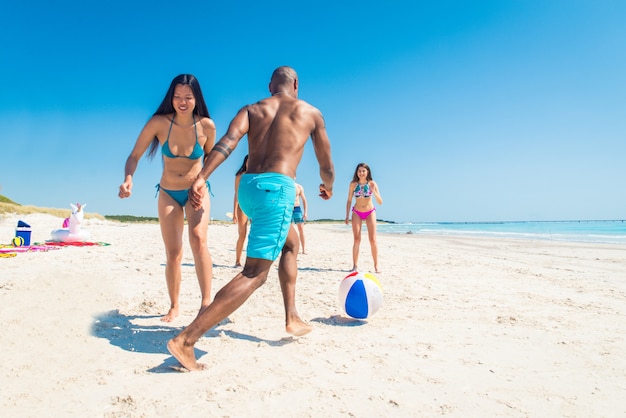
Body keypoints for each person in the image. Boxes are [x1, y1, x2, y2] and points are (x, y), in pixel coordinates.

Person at [167, 66, 334, 371]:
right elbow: (326, 164)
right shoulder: (311, 113)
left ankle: (291, 316)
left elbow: (227, 143)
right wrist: (328, 186)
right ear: (296, 84)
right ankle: (187, 340)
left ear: (271, 85)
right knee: (254, 273)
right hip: (276, 189)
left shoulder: (252, 109)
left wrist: (202, 177)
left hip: (249, 188)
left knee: (289, 245)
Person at [118, 74, 216, 322]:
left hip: (197, 192)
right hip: (168, 193)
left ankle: (206, 303)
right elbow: (134, 155)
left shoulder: (206, 126)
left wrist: (201, 182)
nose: (182, 102)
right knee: (173, 253)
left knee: (198, 239)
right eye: (178, 97)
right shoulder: (159, 123)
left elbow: (212, 160)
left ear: (197, 99)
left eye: (188, 97)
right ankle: (174, 305)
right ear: (171, 97)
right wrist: (129, 178)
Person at [345, 162, 383, 273]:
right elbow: (349, 200)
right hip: (356, 212)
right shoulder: (353, 184)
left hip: (370, 212)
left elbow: (380, 202)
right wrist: (347, 215)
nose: (361, 173)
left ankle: (376, 266)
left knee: (373, 240)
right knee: (357, 240)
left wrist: (374, 191)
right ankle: (355, 266)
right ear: (357, 172)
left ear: (367, 172)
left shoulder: (372, 183)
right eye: (359, 171)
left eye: (363, 171)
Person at [233, 155, 249, 267]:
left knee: (255, 234)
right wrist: (234, 212)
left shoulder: (257, 175)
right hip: (242, 206)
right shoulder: (240, 175)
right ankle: (237, 261)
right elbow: (236, 194)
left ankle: (252, 261)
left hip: (255, 205)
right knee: (242, 234)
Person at [292, 182, 308, 254]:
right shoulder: (285, 185)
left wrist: (305, 212)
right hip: (288, 208)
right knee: (286, 229)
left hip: (297, 208)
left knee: (301, 229)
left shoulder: (299, 187)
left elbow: (304, 200)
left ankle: (303, 249)